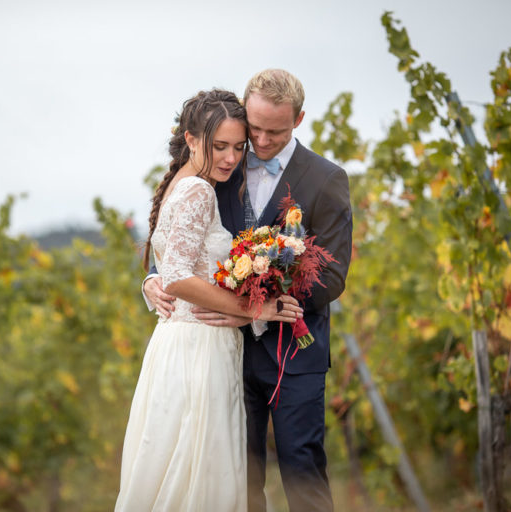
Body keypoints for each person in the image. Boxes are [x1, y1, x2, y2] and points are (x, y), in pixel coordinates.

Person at [144, 70, 352, 511]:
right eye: (253, 128)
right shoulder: (222, 164)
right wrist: (152, 276)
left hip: (294, 355)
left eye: (274, 131)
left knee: (302, 470)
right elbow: (184, 236)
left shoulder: (326, 179)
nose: (259, 140)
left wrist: (257, 303)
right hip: (226, 354)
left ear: (298, 120)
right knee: (236, 477)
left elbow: (332, 276)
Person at [116, 89, 303, 512]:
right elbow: (178, 277)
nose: (231, 158)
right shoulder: (199, 191)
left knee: (179, 472)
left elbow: (173, 267)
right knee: (199, 479)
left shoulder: (179, 184)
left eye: (238, 147)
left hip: (178, 345)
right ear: (191, 139)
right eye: (220, 146)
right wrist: (255, 309)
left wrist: (153, 280)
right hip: (200, 349)